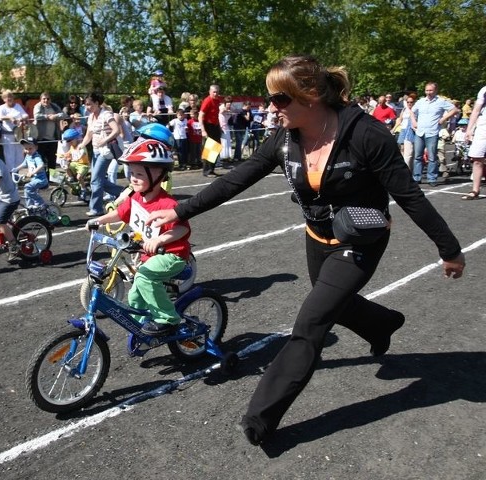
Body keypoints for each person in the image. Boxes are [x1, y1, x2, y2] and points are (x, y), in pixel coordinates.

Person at [146, 54, 466, 446]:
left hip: (359, 242)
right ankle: (382, 324)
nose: (271, 108)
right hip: (317, 238)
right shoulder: (285, 137)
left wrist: (449, 249)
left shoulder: (367, 135)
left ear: (311, 96)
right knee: (336, 303)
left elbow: (410, 196)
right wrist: (177, 210)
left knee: (310, 324)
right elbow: (235, 181)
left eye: (279, 99)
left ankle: (261, 417)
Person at [88, 138, 191, 336]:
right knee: (136, 293)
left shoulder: (167, 204)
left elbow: (182, 229)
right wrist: (98, 220)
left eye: (139, 174)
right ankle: (139, 326)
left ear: (158, 176)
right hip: (149, 257)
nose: (133, 179)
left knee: (144, 277)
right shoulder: (136, 197)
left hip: (172, 256)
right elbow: (119, 213)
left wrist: (159, 240)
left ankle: (168, 319)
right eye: (132, 174)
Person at [76, 92, 125, 216]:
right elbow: (89, 134)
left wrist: (105, 140)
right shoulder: (91, 117)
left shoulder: (106, 114)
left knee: (95, 179)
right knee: (99, 179)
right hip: (96, 151)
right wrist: (81, 145)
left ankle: (96, 208)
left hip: (106, 151)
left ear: (97, 103)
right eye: (86, 104)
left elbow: (116, 130)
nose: (87, 107)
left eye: (89, 104)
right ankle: (123, 192)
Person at [411, 82, 459, 186]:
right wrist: (414, 121)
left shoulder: (441, 101)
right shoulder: (421, 101)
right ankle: (416, 177)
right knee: (417, 156)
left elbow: (455, 110)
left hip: (432, 132)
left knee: (432, 157)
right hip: (420, 132)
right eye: (427, 90)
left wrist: (444, 118)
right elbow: (412, 111)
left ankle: (431, 178)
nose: (428, 92)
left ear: (435, 90)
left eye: (430, 90)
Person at [461, 85, 486, 200]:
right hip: (483, 127)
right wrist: (469, 129)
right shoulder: (484, 90)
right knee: (476, 158)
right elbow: (476, 110)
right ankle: (475, 190)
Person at [0, 90, 30, 172]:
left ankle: (17, 173)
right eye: (7, 97)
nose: (9, 99)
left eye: (10, 96)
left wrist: (21, 118)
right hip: (7, 135)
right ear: (4, 99)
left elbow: (26, 115)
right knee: (9, 155)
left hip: (18, 134)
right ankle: (11, 174)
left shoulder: (17, 106)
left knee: (19, 155)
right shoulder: (1, 107)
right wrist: (10, 118)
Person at [12, 137, 49, 209]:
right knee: (27, 190)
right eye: (26, 149)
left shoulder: (36, 157)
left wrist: (32, 172)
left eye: (30, 149)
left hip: (41, 180)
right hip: (34, 180)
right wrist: (15, 169)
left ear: (36, 147)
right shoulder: (28, 156)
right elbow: (24, 164)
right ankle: (30, 207)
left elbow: (41, 165)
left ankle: (40, 203)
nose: (28, 151)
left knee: (27, 187)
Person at [33, 92, 62, 170]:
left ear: (50, 99)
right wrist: (48, 117)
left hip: (53, 138)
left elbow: (63, 114)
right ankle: (42, 178)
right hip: (41, 138)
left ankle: (51, 179)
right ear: (41, 100)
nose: (46, 100)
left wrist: (55, 116)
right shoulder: (38, 106)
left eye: (48, 99)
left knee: (52, 160)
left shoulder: (54, 106)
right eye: (44, 99)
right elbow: (36, 116)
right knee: (40, 160)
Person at [60, 128, 90, 202]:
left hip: (83, 164)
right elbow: (69, 153)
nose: (69, 143)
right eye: (68, 141)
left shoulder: (81, 146)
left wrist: (74, 158)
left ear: (76, 138)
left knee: (79, 177)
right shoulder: (72, 146)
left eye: (70, 141)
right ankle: (71, 177)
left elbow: (81, 154)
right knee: (66, 166)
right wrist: (63, 155)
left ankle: (83, 189)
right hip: (75, 163)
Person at [199, 84, 222, 177]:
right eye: (214, 92)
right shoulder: (207, 101)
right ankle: (206, 171)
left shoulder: (217, 101)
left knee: (216, 148)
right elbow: (201, 116)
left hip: (215, 126)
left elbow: (216, 115)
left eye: (217, 92)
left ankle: (211, 169)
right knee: (209, 148)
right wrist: (203, 130)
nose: (216, 94)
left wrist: (219, 126)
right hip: (208, 126)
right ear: (210, 92)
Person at [392, 94, 417, 170]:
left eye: (411, 102)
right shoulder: (404, 109)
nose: (409, 103)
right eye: (408, 102)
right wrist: (394, 128)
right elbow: (400, 119)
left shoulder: (415, 110)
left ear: (414, 102)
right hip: (403, 130)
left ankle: (409, 168)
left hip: (411, 131)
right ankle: (404, 165)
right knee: (402, 148)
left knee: (410, 151)